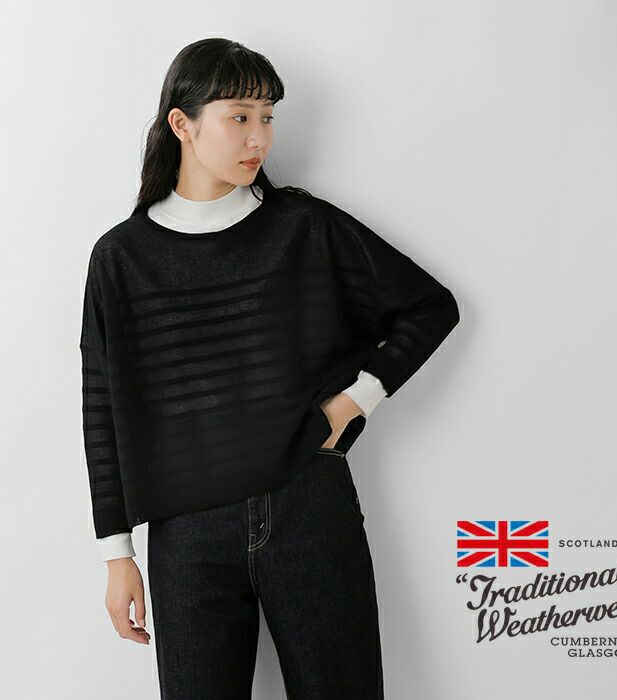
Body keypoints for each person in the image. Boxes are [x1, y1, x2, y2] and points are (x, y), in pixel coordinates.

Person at [80, 38, 460, 700]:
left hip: (309, 508)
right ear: (182, 123)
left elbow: (430, 307)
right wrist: (117, 555)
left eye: (268, 116)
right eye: (240, 116)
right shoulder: (122, 258)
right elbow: (101, 409)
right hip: (188, 536)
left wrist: (353, 402)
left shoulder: (304, 228)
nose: (259, 137)